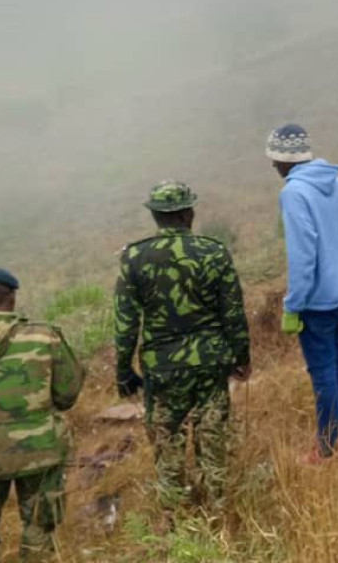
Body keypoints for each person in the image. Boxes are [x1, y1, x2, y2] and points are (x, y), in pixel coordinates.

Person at [114, 182, 250, 514]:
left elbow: (126, 324)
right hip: (211, 363)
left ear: (155, 216)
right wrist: (241, 357)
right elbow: (233, 313)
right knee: (212, 438)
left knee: (167, 442)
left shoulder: (134, 258)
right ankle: (217, 515)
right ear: (188, 213)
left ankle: (175, 518)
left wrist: (123, 371)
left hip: (162, 369)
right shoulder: (214, 252)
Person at [266, 124, 338, 463]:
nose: (273, 166)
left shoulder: (294, 194)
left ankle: (325, 448)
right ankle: (334, 431)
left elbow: (303, 255)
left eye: (274, 160)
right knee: (337, 362)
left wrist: (293, 305)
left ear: (285, 159)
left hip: (317, 302)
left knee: (323, 373)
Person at [0, 268, 83, 561]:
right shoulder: (44, 336)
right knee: (39, 527)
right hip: (39, 450)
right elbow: (67, 394)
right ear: (12, 299)